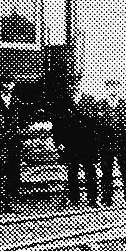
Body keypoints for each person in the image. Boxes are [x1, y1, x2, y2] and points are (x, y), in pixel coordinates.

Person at [51, 75, 100, 207]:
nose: (74, 87)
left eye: (76, 84)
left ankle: (92, 199)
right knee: (72, 171)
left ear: (80, 85)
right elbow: (57, 125)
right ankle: (74, 198)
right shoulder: (62, 102)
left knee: (90, 171)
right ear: (69, 87)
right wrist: (58, 142)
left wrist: (96, 142)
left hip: (87, 143)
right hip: (70, 143)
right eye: (71, 85)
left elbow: (95, 123)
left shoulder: (90, 100)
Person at [0, 74, 26, 213]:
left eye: (11, 83)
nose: (8, 86)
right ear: (1, 84)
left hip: (13, 142)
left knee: (12, 172)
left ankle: (8, 202)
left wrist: (18, 132)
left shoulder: (17, 101)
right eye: (6, 83)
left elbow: (20, 120)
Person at [98, 78, 126, 206]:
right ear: (106, 89)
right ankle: (106, 199)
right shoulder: (100, 106)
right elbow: (95, 128)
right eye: (110, 88)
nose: (112, 90)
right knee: (106, 172)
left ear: (119, 88)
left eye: (115, 87)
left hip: (123, 145)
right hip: (106, 145)